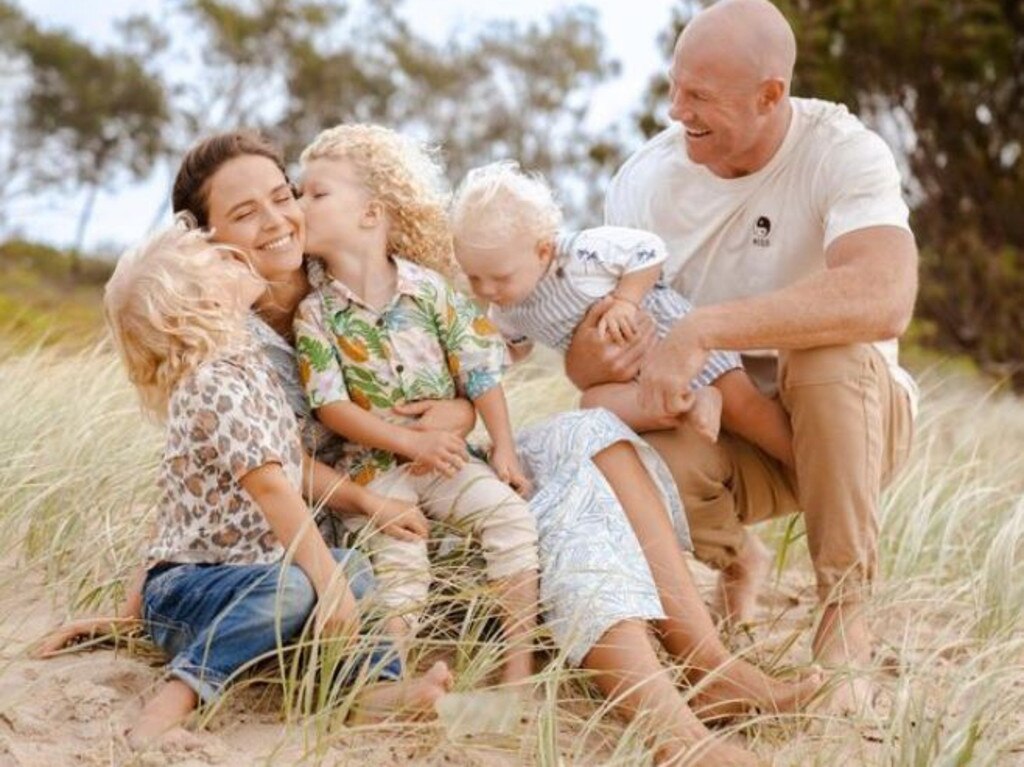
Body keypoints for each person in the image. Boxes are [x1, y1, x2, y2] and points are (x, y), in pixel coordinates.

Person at [38, 130, 819, 765]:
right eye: (247, 214)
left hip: (430, 496)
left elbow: (461, 376)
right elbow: (247, 474)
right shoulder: (221, 337)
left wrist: (451, 410)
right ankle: (675, 727)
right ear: (206, 243)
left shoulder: (341, 279)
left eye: (285, 194)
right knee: (556, 500)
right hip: (356, 539)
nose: (280, 217)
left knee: (586, 437)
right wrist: (142, 600)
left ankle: (705, 667)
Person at [567, 0, 917, 709]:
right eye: (673, 87)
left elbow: (884, 295)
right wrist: (612, 343)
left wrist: (701, 329)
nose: (675, 111)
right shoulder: (644, 181)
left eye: (698, 96)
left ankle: (843, 607)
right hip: (725, 428)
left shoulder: (841, 149)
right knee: (611, 438)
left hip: (854, 420)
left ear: (770, 96)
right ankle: (730, 567)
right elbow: (590, 363)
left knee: (822, 352)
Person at [37, 222, 453, 748]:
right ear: (199, 305)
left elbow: (289, 466)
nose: (238, 259)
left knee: (352, 568)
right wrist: (328, 584)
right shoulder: (213, 382)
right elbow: (273, 489)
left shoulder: (247, 368)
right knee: (309, 580)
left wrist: (363, 516)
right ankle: (180, 694)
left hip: (246, 580)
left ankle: (372, 689)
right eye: (221, 262)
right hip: (187, 589)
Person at [292, 124, 541, 687]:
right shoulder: (315, 314)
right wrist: (409, 441)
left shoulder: (430, 291)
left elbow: (478, 369)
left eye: (317, 193)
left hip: (448, 459)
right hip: (375, 469)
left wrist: (502, 447)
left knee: (511, 520)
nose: (299, 204)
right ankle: (394, 675)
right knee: (402, 562)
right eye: (300, 192)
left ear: (371, 213)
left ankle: (517, 669)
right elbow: (331, 406)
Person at [450, 160, 793, 463]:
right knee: (593, 403)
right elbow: (512, 348)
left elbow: (648, 250)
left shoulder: (581, 255)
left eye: (499, 277)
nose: (487, 290)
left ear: (542, 252)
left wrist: (626, 301)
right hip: (629, 380)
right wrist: (486, 359)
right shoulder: (509, 309)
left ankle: (807, 467)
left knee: (749, 411)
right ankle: (692, 403)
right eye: (474, 277)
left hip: (671, 340)